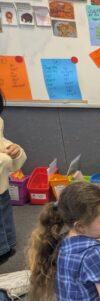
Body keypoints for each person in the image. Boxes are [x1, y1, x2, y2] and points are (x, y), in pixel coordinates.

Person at [0, 89, 27, 264]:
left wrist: (15, 151)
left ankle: (6, 247)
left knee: (4, 216)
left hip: (1, 186)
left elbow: (3, 143)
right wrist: (4, 158)